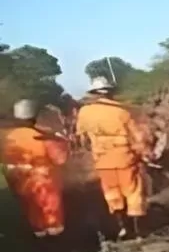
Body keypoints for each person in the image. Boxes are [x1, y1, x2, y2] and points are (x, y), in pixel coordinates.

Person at [75, 75, 152, 238]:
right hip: (125, 159)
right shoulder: (122, 112)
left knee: (112, 194)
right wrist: (146, 154)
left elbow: (82, 139)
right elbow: (137, 138)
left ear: (94, 93)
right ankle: (137, 231)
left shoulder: (84, 112)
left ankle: (122, 228)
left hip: (103, 161)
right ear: (110, 92)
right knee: (133, 193)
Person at [0, 98, 70, 239]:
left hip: (20, 178)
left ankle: (38, 232)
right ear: (34, 116)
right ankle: (55, 234)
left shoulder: (8, 137)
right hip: (45, 178)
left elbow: (5, 158)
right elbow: (60, 159)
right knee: (50, 205)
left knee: (30, 205)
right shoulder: (44, 135)